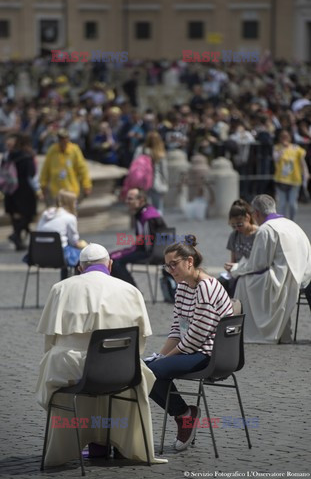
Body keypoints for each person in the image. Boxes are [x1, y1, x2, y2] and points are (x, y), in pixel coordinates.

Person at [35, 243, 166, 466]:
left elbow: (51, 339)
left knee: (57, 364)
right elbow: (140, 343)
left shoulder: (60, 288)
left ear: (79, 268)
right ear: (110, 264)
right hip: (120, 368)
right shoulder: (130, 290)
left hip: (72, 366)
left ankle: (83, 443)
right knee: (131, 378)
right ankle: (118, 442)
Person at [146, 235, 233, 452]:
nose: (171, 270)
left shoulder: (206, 287)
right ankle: (184, 415)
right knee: (143, 368)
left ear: (189, 262)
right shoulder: (183, 286)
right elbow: (177, 329)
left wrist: (165, 359)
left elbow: (195, 337)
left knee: (151, 371)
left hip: (209, 355)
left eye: (174, 265)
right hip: (192, 349)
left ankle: (184, 415)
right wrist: (159, 355)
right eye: (167, 266)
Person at [226, 194, 311, 344]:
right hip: (302, 276)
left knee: (242, 281)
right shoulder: (292, 224)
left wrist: (236, 268)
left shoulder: (266, 229)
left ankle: (249, 331)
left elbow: (257, 264)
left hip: (282, 279)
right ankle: (283, 332)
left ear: (256, 213)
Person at [110, 188, 166, 287]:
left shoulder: (148, 217)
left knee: (115, 262)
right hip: (149, 250)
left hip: (152, 254)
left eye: (130, 199)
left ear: (141, 200)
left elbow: (149, 244)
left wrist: (130, 251)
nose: (127, 202)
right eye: (127, 199)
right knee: (111, 257)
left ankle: (134, 292)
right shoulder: (143, 213)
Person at [37, 189, 87, 278]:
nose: (76, 204)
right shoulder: (70, 217)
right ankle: (73, 285)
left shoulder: (45, 213)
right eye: (75, 202)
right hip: (58, 256)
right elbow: (74, 241)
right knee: (84, 255)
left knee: (64, 246)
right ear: (70, 203)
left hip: (38, 255)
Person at [3, 133, 38, 250]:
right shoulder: (26, 156)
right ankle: (16, 235)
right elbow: (31, 174)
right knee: (28, 214)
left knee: (15, 217)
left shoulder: (8, 156)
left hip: (10, 191)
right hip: (24, 191)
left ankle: (17, 239)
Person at [40, 128, 92, 205]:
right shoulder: (52, 150)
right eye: (61, 139)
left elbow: (82, 169)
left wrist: (86, 185)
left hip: (71, 190)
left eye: (65, 138)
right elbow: (45, 169)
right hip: (56, 191)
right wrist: (43, 185)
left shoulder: (74, 150)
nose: (63, 141)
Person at [220, 199, 258, 297]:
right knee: (219, 284)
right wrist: (230, 266)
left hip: (253, 272)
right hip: (237, 273)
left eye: (240, 224)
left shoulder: (259, 234)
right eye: (233, 226)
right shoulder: (234, 235)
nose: (237, 228)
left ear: (247, 218)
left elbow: (260, 261)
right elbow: (233, 259)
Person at [273, 129, 310, 221]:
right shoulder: (277, 148)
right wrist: (282, 149)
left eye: (286, 136)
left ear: (290, 137)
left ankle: (291, 220)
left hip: (295, 180)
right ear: (279, 138)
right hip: (281, 180)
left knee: (292, 204)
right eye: (282, 136)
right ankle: (283, 222)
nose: (284, 138)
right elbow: (276, 159)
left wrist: (306, 173)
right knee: (281, 204)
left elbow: (302, 163)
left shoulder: (297, 148)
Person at [133, 130, 169, 213]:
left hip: (142, 183)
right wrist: (165, 184)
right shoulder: (160, 153)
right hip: (156, 183)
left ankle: (147, 223)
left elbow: (134, 165)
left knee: (144, 207)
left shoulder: (140, 150)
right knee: (158, 208)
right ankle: (156, 223)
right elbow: (164, 171)